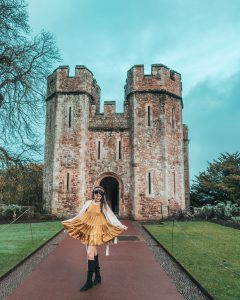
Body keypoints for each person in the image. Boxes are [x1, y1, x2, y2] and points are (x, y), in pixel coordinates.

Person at [61, 186, 128, 292]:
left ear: (102, 196)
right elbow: (80, 215)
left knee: (89, 254)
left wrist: (120, 225)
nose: (98, 196)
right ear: (93, 194)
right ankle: (98, 277)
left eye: (100, 195)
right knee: (94, 253)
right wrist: (70, 224)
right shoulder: (88, 203)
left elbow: (111, 217)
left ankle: (89, 282)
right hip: (88, 229)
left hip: (97, 231)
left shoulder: (104, 205)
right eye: (96, 194)